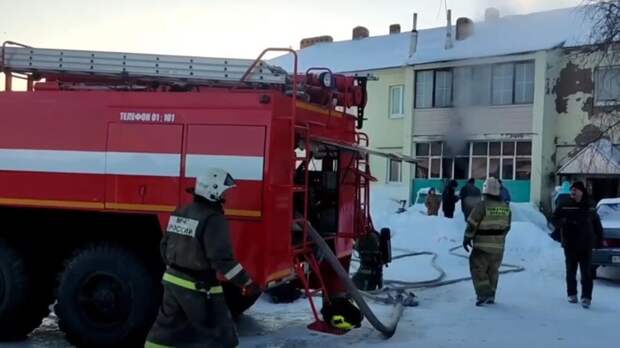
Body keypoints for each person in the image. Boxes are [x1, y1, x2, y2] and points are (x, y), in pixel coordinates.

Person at [146, 168, 260, 348]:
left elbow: (164, 246)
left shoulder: (180, 212)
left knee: (164, 334)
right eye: (223, 191)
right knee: (220, 336)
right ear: (213, 191)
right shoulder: (213, 219)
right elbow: (221, 259)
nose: (225, 196)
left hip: (172, 282)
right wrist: (246, 282)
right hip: (199, 288)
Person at [551, 181, 603, 309]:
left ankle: (586, 297)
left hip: (586, 244)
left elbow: (597, 224)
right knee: (571, 271)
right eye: (571, 190)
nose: (573, 192)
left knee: (586, 272)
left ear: (581, 192)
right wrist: (562, 222)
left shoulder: (590, 205)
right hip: (570, 244)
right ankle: (572, 294)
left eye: (575, 190)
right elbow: (554, 218)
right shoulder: (564, 205)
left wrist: (600, 239)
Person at [462, 177, 511, 306]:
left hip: (482, 248)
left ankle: (484, 295)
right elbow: (507, 227)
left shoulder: (482, 205)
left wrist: (467, 238)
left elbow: (472, 223)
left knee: (478, 269)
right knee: (493, 271)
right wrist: (498, 238)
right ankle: (491, 295)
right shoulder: (505, 207)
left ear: (485, 190)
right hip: (499, 248)